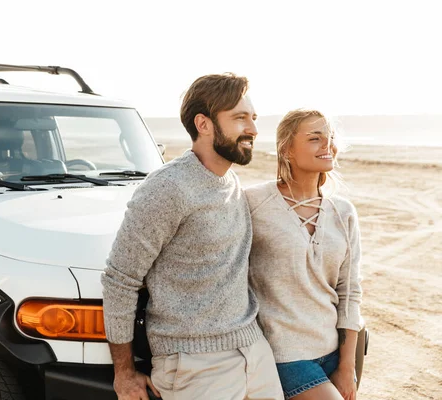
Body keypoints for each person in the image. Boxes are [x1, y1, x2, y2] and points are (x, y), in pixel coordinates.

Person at [101, 73, 284, 400]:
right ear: (204, 124)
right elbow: (120, 279)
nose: (254, 129)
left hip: (254, 351)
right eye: (240, 118)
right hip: (195, 365)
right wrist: (124, 372)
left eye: (253, 118)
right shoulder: (166, 189)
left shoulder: (230, 181)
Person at [245, 109, 364, 400]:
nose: (327, 145)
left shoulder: (343, 212)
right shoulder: (252, 203)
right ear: (287, 148)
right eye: (315, 138)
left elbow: (349, 291)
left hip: (334, 352)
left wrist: (347, 366)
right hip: (282, 354)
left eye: (330, 137)